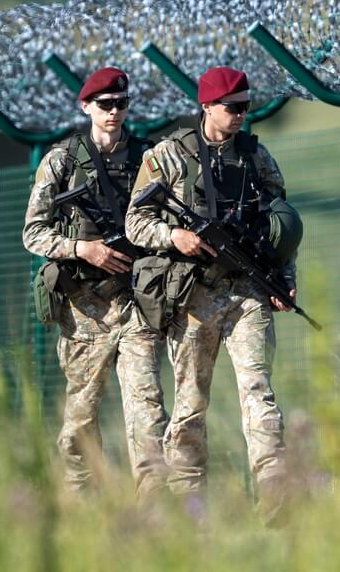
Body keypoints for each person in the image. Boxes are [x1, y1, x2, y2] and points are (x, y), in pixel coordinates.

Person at [125, 66, 296, 523]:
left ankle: (276, 493)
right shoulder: (168, 157)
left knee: (258, 391)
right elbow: (135, 223)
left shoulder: (256, 158)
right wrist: (174, 236)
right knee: (190, 403)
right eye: (232, 108)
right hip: (195, 295)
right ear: (206, 106)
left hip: (247, 293)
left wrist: (283, 278)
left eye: (246, 107)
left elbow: (279, 225)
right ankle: (188, 504)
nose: (241, 116)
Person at [22, 67, 169, 498]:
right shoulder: (62, 161)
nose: (114, 112)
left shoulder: (147, 158)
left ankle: (154, 509)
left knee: (148, 412)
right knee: (80, 421)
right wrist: (83, 249)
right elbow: (33, 232)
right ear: (86, 106)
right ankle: (79, 504)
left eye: (122, 104)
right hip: (85, 311)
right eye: (105, 105)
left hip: (136, 302)